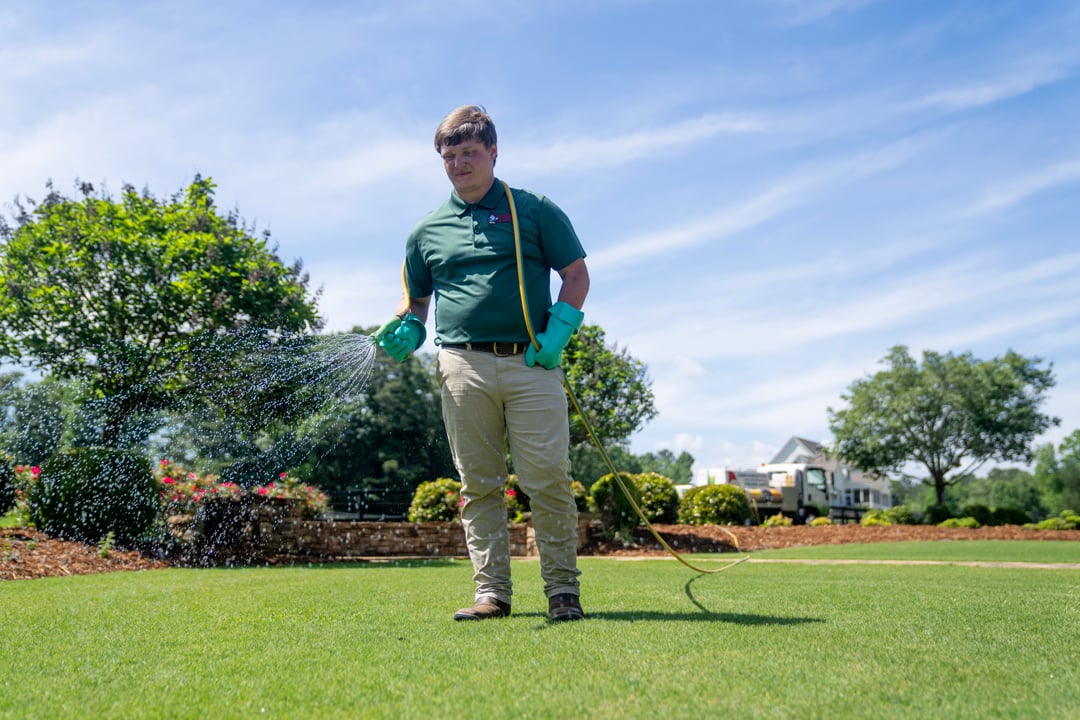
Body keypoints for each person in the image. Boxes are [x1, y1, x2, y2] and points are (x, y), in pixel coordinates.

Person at [373, 105, 590, 622]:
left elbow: (576, 274)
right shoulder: (426, 231)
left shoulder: (534, 210)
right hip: (461, 366)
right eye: (449, 155)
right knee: (479, 485)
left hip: (532, 363)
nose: (459, 163)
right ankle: (492, 595)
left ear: (494, 151)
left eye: (469, 152)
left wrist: (557, 334)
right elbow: (417, 302)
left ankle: (563, 593)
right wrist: (406, 326)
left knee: (548, 479)